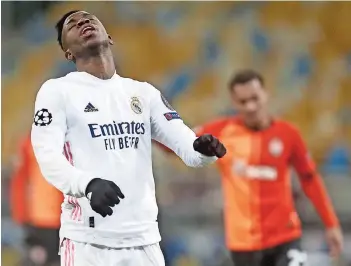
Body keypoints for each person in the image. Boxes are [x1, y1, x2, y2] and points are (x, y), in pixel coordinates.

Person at [30, 10, 226, 266]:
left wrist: (203, 149)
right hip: (88, 242)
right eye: (72, 25)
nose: (83, 22)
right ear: (68, 53)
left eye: (89, 19)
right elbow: (47, 156)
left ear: (109, 37)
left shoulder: (143, 93)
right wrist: (86, 184)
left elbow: (189, 150)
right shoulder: (57, 92)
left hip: (144, 242)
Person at [159, 69, 343, 266]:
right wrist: (153, 125)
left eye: (255, 98)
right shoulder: (220, 131)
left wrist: (331, 224)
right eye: (243, 102)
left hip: (285, 238)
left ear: (265, 94)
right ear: (233, 102)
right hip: (244, 244)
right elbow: (174, 145)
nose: (251, 106)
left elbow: (309, 179)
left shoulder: (288, 134)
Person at [10, 133, 63, 266]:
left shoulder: (69, 140)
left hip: (64, 218)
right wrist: (21, 216)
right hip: (40, 221)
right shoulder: (29, 144)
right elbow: (20, 183)